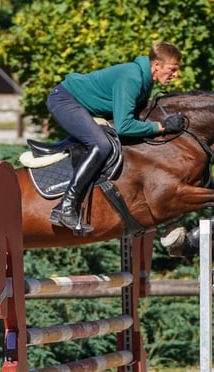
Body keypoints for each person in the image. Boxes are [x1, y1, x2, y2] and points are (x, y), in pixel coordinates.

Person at [46, 41, 185, 233]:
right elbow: (124, 126)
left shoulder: (146, 81)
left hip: (81, 105)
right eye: (172, 69)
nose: (176, 75)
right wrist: (161, 127)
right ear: (156, 66)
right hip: (64, 99)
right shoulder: (132, 78)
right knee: (101, 145)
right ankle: (65, 206)